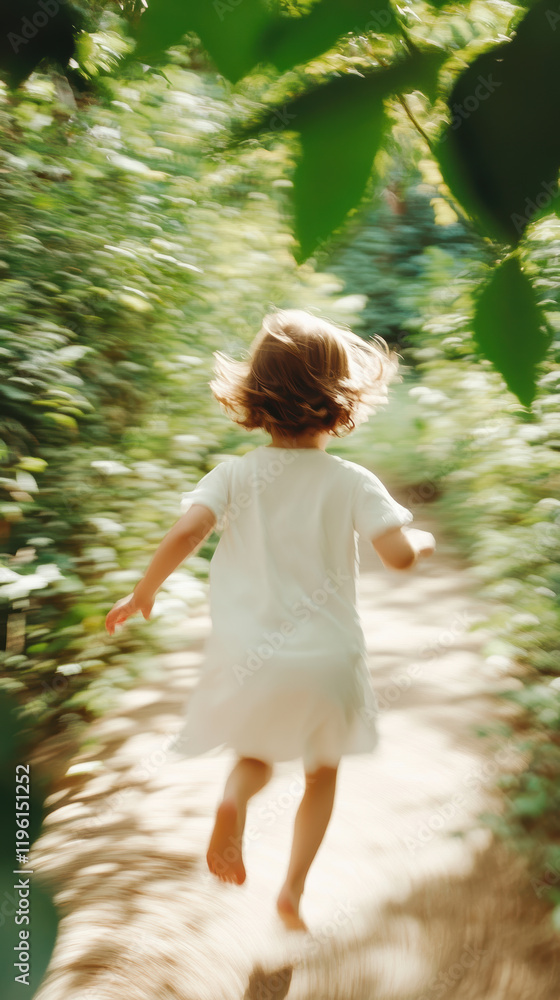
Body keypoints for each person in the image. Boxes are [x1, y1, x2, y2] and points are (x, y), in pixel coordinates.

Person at [105, 309, 435, 932]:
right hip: (330, 662)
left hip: (250, 658)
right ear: (340, 402)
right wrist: (424, 545)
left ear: (256, 394)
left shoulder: (234, 475)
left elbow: (188, 530)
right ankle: (291, 891)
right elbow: (398, 557)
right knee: (320, 772)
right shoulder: (353, 481)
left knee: (255, 756)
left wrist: (143, 591)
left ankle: (234, 801)